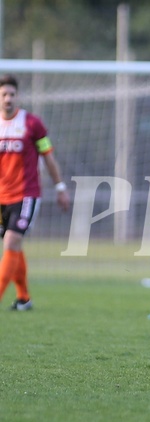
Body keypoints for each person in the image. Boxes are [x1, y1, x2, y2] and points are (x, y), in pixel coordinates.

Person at [0, 74, 71, 310]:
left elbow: (48, 157)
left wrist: (60, 187)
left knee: (11, 241)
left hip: (26, 194)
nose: (8, 98)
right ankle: (24, 298)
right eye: (4, 94)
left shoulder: (32, 124)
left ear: (17, 96)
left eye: (12, 94)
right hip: (2, 197)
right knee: (13, 246)